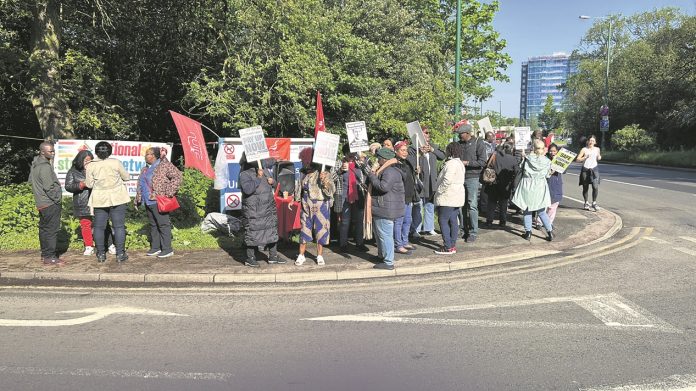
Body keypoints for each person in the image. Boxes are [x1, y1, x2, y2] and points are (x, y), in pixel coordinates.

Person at [85, 141, 131, 262]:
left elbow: (89, 184)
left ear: (96, 152)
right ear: (110, 151)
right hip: (118, 197)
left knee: (99, 227)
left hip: (99, 199)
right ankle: (120, 254)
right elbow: (126, 177)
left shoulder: (90, 165)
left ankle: (101, 254)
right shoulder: (116, 163)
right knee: (119, 227)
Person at [65, 150, 116, 256]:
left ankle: (110, 245)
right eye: (86, 160)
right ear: (80, 160)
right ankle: (88, 246)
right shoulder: (73, 171)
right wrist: (81, 185)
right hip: (82, 201)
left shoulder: (98, 169)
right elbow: (68, 186)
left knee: (104, 224)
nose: (88, 162)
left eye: (90, 160)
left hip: (99, 200)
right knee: (85, 225)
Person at [135, 147, 182, 258]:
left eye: (148, 154)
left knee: (163, 224)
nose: (146, 156)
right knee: (153, 225)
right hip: (147, 201)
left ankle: (167, 249)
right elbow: (140, 185)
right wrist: (138, 199)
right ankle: (155, 247)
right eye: (146, 154)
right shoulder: (145, 169)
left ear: (154, 156)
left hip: (159, 201)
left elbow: (178, 177)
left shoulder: (164, 166)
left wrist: (168, 193)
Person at [294, 148, 336, 266]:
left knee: (321, 230)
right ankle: (301, 255)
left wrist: (325, 182)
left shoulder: (324, 172)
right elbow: (298, 188)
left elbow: (331, 191)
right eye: (303, 161)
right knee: (304, 229)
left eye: (306, 161)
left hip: (321, 205)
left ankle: (320, 255)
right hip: (306, 205)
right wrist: (295, 199)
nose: (304, 163)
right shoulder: (302, 173)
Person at [364, 147, 404, 270]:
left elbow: (383, 187)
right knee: (381, 235)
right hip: (384, 207)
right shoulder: (389, 169)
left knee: (385, 235)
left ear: (383, 159)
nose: (377, 161)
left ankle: (388, 261)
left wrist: (372, 176)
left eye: (378, 159)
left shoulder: (389, 171)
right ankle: (382, 256)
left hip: (385, 208)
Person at [239, 153, 282, 267]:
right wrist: (258, 178)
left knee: (271, 231)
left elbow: (274, 183)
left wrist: (273, 182)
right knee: (253, 232)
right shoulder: (244, 174)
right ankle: (250, 258)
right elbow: (248, 190)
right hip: (254, 210)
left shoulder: (263, 169)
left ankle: (273, 256)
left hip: (268, 208)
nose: (259, 161)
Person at [29, 141, 65, 266]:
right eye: (50, 151)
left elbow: (31, 182)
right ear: (42, 152)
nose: (53, 153)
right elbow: (48, 187)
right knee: (51, 230)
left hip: (41, 203)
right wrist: (56, 199)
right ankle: (50, 257)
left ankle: (45, 254)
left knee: (44, 229)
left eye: (53, 151)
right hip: (49, 203)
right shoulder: (44, 167)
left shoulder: (35, 165)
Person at [511, 139, 554, 241]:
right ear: (543, 149)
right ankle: (549, 232)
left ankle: (528, 233)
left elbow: (521, 168)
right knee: (541, 212)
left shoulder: (527, 159)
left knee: (527, 210)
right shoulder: (547, 161)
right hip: (540, 187)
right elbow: (548, 175)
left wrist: (523, 156)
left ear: (533, 148)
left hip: (527, 186)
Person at [409, 126, 444, 238]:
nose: (427, 135)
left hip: (431, 182)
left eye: (428, 133)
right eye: (425, 133)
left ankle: (429, 228)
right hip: (420, 182)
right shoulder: (413, 148)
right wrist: (420, 153)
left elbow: (442, 156)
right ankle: (416, 229)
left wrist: (432, 150)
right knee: (418, 206)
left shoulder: (433, 146)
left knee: (430, 205)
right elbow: (409, 160)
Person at [455, 123, 486, 242]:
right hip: (460, 177)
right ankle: (463, 230)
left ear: (467, 133)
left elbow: (482, 161)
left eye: (461, 134)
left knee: (472, 205)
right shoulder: (459, 144)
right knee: (460, 205)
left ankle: (473, 232)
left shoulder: (478, 142)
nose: (459, 136)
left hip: (472, 177)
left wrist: (467, 163)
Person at [334, 144, 368, 251]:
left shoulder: (359, 163)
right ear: (345, 154)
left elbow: (369, 172)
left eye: (354, 153)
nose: (352, 156)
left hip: (358, 195)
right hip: (344, 197)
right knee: (345, 221)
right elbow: (331, 177)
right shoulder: (339, 163)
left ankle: (360, 243)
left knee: (359, 220)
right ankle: (343, 244)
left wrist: (363, 163)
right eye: (350, 154)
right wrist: (340, 170)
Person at [433, 142, 466, 255]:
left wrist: (439, 191)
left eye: (447, 150)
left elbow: (447, 180)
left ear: (450, 151)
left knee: (443, 220)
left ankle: (447, 246)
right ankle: (452, 245)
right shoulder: (460, 163)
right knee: (453, 221)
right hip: (457, 196)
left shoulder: (451, 164)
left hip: (448, 196)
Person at [483, 142, 519, 227]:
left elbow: (488, 165)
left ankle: (489, 220)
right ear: (511, 149)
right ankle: (502, 221)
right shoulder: (513, 159)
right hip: (506, 185)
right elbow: (517, 171)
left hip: (493, 183)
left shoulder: (495, 155)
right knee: (503, 204)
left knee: (491, 203)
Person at [394, 140, 419, 254]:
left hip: (409, 196)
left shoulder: (407, 162)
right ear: (396, 151)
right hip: (400, 197)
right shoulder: (394, 163)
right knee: (399, 221)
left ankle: (404, 241)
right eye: (402, 150)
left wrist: (417, 171)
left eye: (406, 150)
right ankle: (398, 244)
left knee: (407, 220)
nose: (405, 152)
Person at [576, 135, 602, 211]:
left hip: (594, 169)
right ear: (587, 141)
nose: (591, 142)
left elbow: (599, 156)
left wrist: (599, 157)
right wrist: (584, 157)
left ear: (595, 142)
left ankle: (594, 202)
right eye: (590, 140)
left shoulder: (597, 149)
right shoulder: (584, 149)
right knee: (585, 187)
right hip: (585, 169)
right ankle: (586, 202)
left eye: (593, 141)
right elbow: (577, 159)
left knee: (595, 187)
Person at [543, 143, 563, 225]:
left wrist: (556, 162)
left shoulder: (560, 160)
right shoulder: (545, 159)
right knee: (544, 205)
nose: (552, 153)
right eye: (551, 151)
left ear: (557, 152)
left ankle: (549, 222)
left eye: (554, 151)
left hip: (556, 184)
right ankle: (539, 222)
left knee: (554, 205)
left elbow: (564, 171)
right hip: (546, 183)